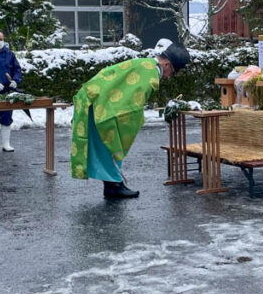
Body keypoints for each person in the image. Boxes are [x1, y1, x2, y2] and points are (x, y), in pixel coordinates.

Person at [71, 42, 191, 199]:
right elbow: (131, 104)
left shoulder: (145, 65)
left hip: (94, 99)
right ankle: (114, 187)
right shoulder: (150, 73)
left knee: (103, 146)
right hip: (98, 103)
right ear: (166, 64)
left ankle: (113, 185)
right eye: (172, 72)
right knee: (109, 144)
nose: (169, 76)